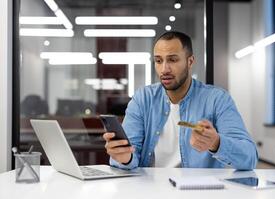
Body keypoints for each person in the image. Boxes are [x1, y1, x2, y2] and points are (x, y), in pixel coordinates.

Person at [103, 31, 258, 170]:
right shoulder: (143, 99)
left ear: (190, 62)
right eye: (158, 61)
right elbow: (130, 154)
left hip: (197, 191)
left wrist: (216, 143)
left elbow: (249, 158)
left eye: (172, 60)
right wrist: (124, 157)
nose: (164, 69)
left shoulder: (217, 99)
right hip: (150, 190)